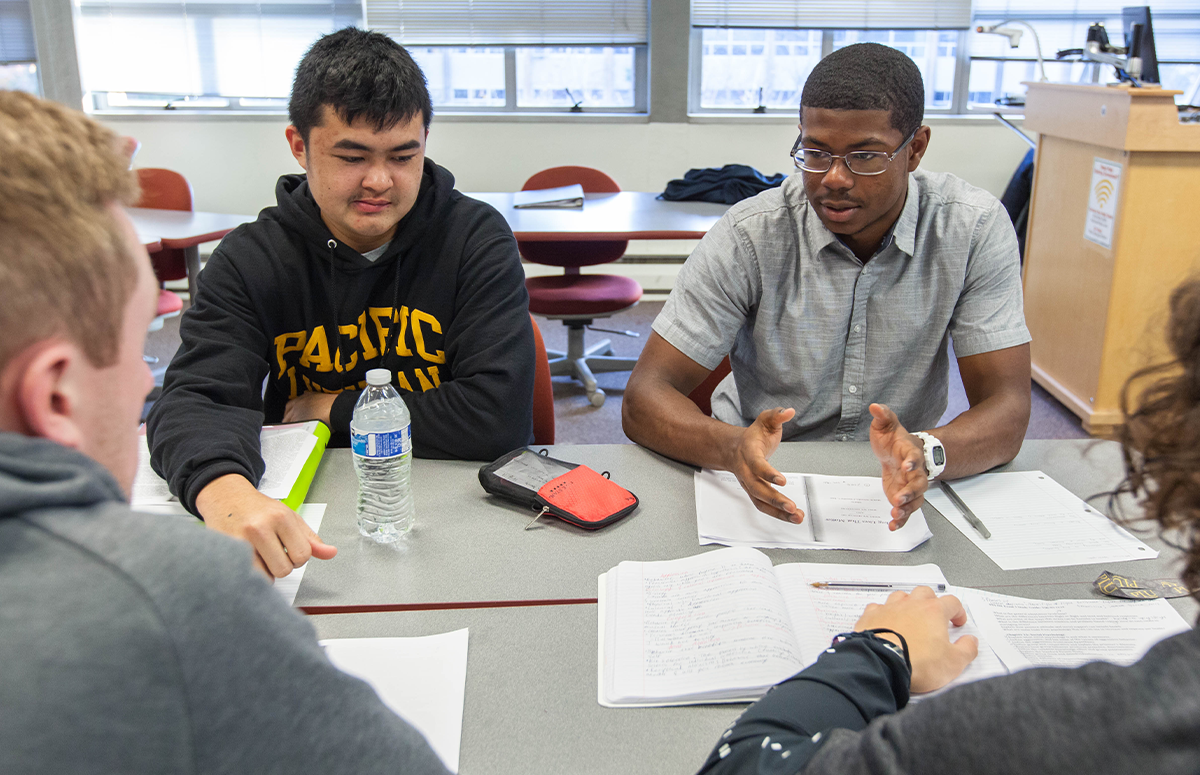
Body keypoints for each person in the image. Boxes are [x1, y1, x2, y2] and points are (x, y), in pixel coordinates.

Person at [0, 90, 448, 773]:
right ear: (54, 396)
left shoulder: (467, 236)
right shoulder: (161, 596)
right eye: (136, 349)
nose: (144, 385)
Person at [695, 277, 1200, 774]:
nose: (836, 186)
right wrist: (728, 444)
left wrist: (880, 649)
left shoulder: (1063, 726)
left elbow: (745, 762)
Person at [146, 27, 535, 578]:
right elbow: (196, 399)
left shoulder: (474, 238)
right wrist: (226, 495)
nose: (380, 181)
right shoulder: (251, 258)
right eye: (352, 156)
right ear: (299, 146)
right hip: (309, 517)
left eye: (405, 155)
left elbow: (497, 416)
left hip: (455, 511)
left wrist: (332, 409)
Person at [623, 43, 1032, 530]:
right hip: (762, 470)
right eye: (814, 152)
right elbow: (644, 397)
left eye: (865, 156)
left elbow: (1008, 410)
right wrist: (731, 446)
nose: (833, 179)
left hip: (903, 478)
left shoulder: (973, 228)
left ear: (916, 148)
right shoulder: (750, 234)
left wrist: (927, 452)